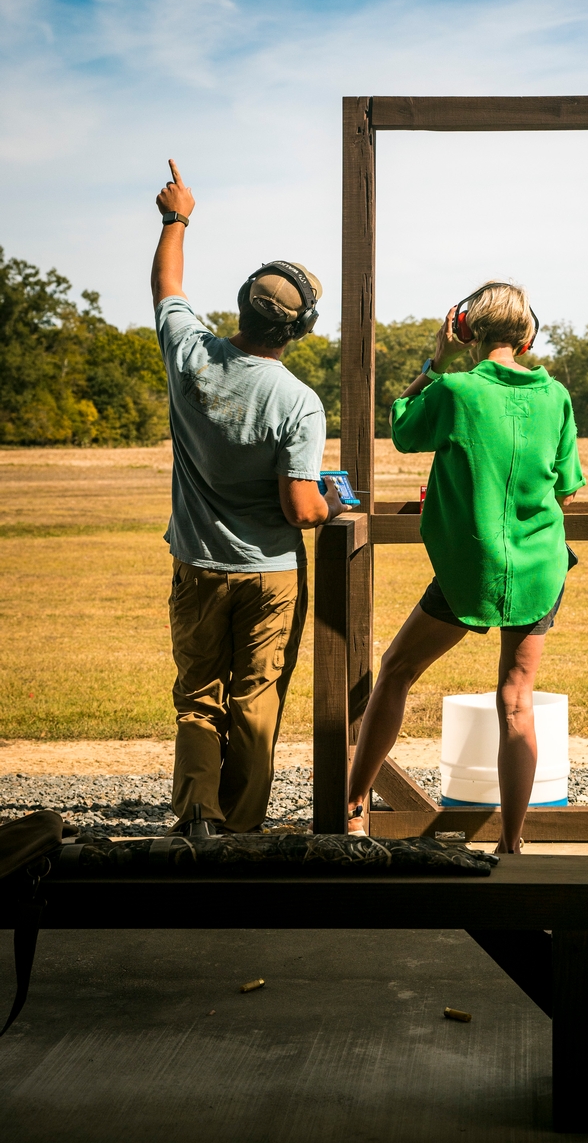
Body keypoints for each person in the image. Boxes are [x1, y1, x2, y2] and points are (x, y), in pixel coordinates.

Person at [346, 281, 585, 853]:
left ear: (466, 331)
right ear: (527, 336)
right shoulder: (556, 397)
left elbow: (402, 427)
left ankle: (350, 805)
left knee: (397, 668)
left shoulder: (454, 388)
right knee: (517, 699)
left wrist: (435, 360)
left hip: (470, 569)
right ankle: (511, 843)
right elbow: (567, 491)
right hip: (541, 567)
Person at [151, 159, 345, 835]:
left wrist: (178, 217)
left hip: (197, 566)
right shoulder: (298, 402)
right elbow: (301, 509)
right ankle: (241, 831)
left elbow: (167, 285)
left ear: (239, 303)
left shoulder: (190, 355)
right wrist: (333, 503)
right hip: (269, 576)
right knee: (254, 701)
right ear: (301, 329)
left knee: (198, 699)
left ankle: (195, 819)